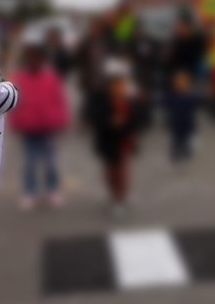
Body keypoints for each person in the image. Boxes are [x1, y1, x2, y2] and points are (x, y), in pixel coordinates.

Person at [10, 42, 71, 209]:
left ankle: (53, 190)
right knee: (29, 162)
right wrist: (15, 122)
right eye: (30, 58)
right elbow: (14, 102)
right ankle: (30, 192)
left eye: (37, 58)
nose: (33, 61)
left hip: (48, 127)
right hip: (28, 127)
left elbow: (60, 100)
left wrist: (62, 120)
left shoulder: (51, 77)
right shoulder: (19, 77)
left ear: (42, 59)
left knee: (51, 162)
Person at [86, 58, 145, 215]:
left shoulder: (130, 96)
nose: (119, 85)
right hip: (108, 140)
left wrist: (130, 123)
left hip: (124, 139)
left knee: (122, 169)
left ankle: (122, 196)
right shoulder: (99, 96)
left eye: (122, 81)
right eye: (116, 81)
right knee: (111, 170)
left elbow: (139, 116)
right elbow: (93, 116)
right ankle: (114, 195)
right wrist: (109, 122)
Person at [164, 68, 200, 163]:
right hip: (175, 124)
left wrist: (189, 94)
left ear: (188, 84)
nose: (181, 84)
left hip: (188, 124)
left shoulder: (191, 96)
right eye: (178, 82)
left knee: (187, 140)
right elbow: (166, 104)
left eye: (184, 82)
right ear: (174, 84)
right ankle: (176, 153)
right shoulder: (171, 95)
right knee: (176, 140)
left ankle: (185, 150)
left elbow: (196, 104)